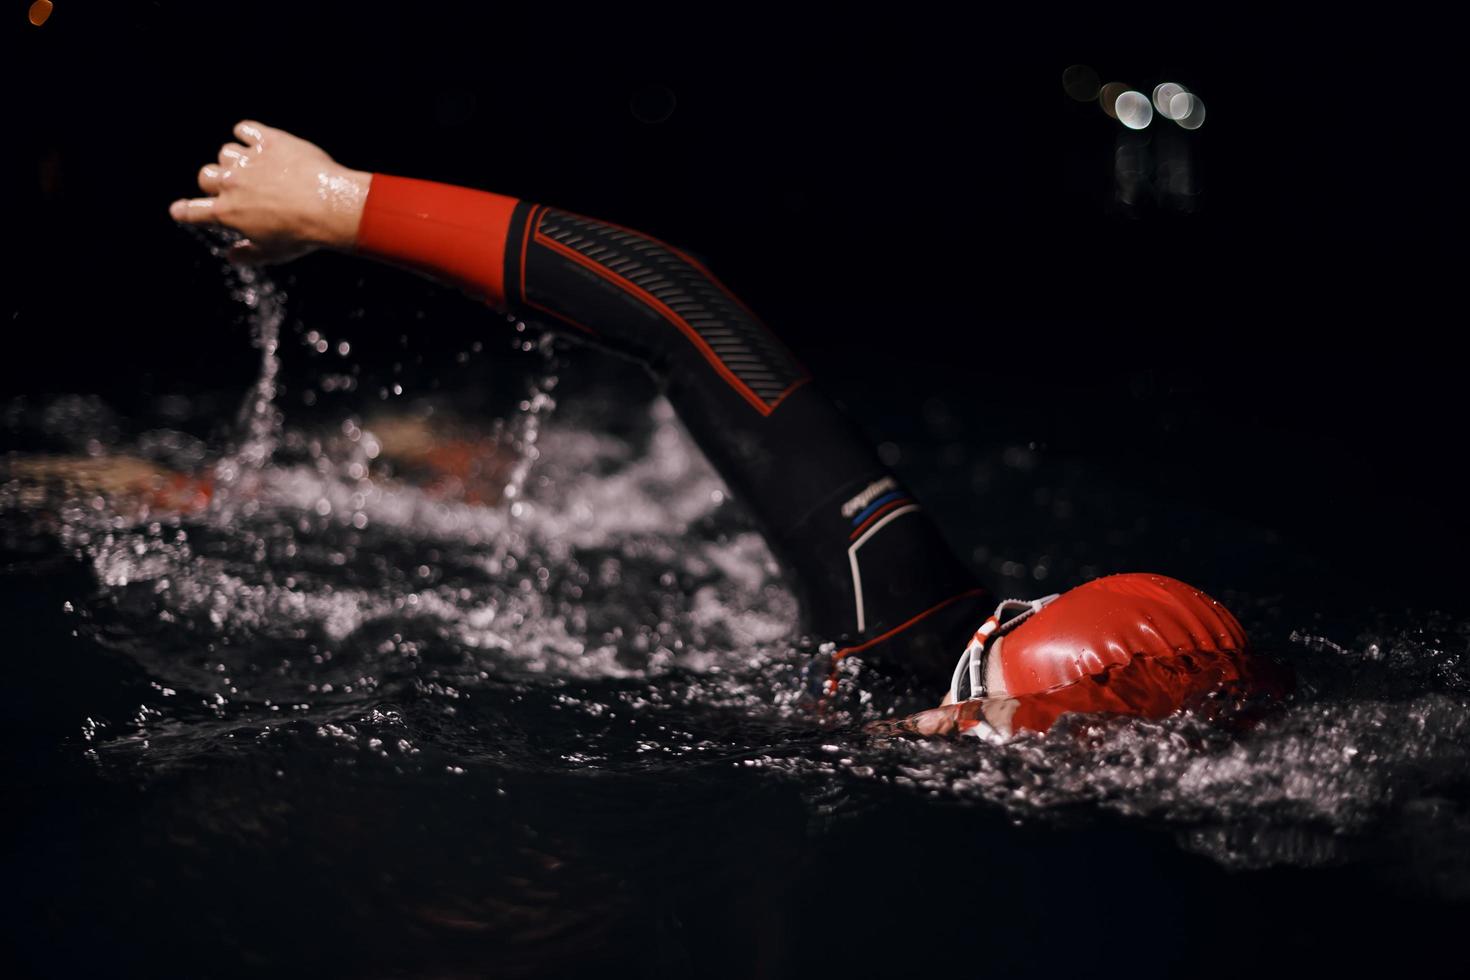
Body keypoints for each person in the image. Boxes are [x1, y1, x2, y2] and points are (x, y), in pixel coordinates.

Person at [167, 121, 1289, 739]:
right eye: (972, 708)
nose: (944, 733)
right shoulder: (897, 603)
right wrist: (339, 201)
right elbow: (678, 308)